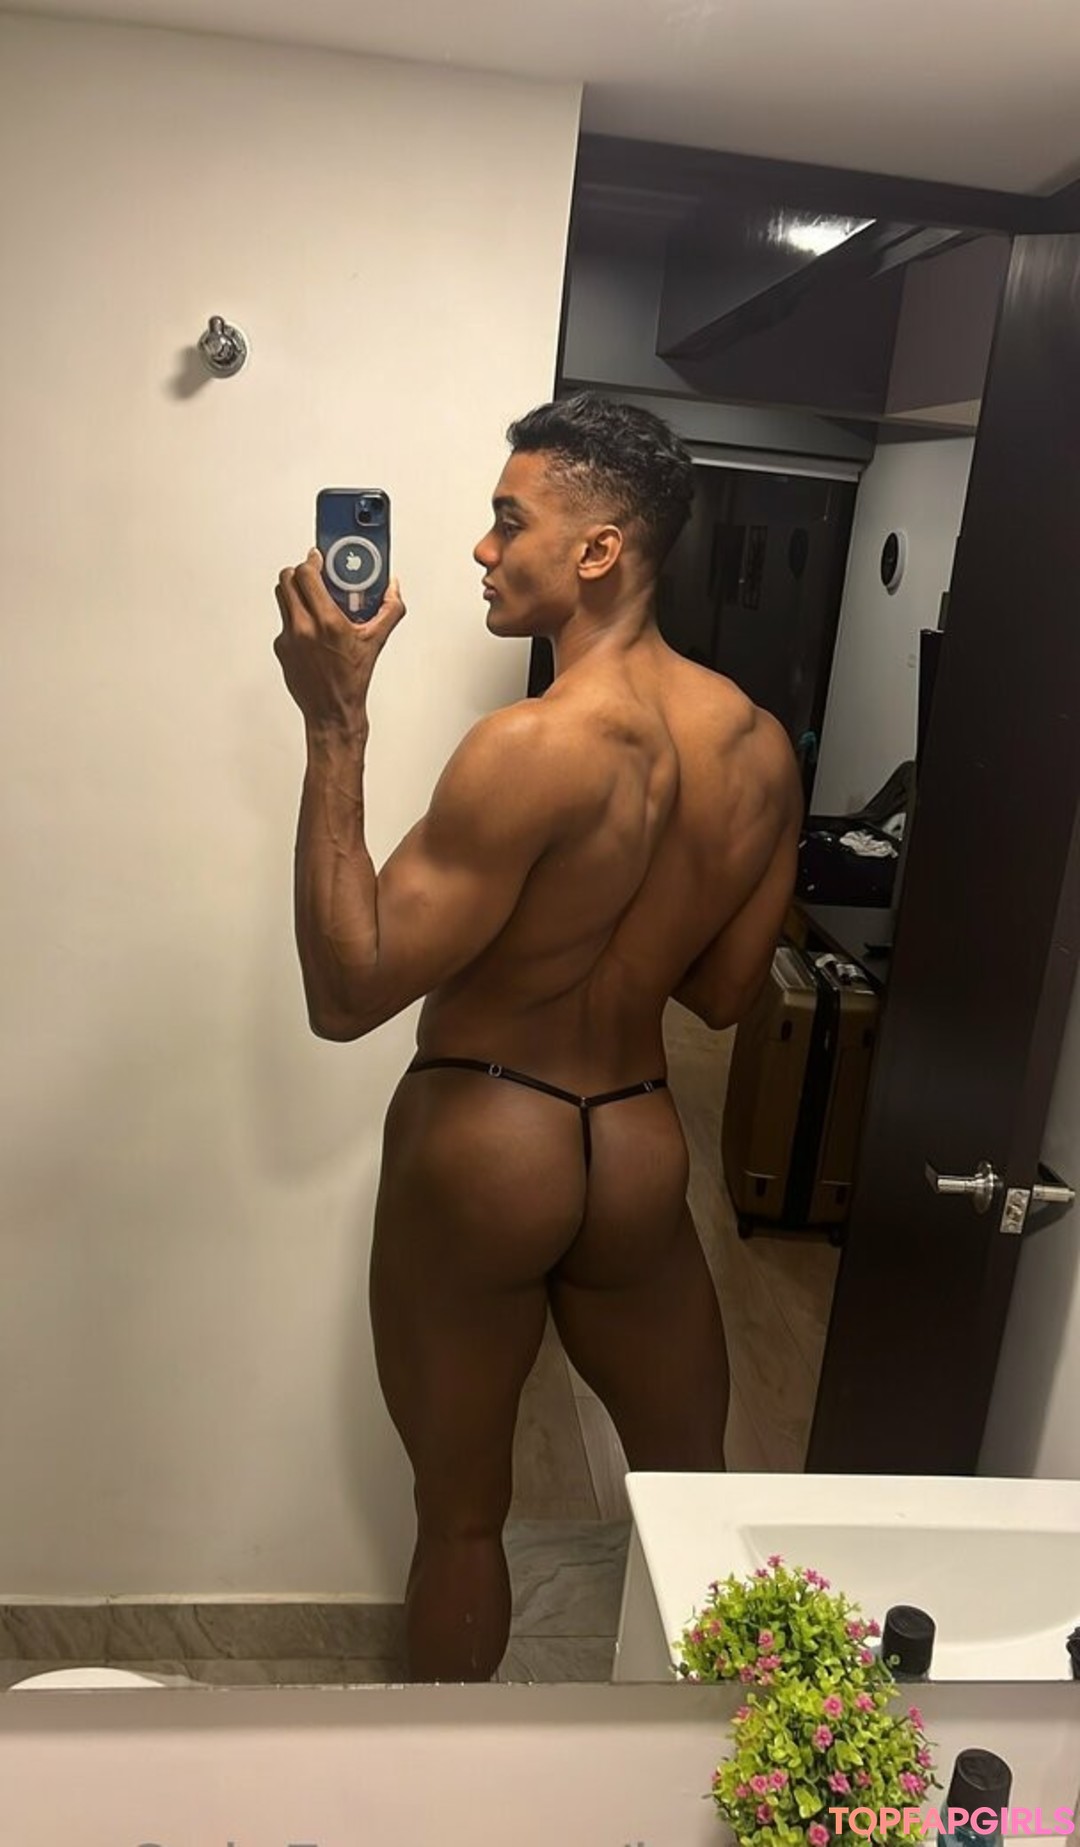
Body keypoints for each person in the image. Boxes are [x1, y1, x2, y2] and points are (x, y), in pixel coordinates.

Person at [273, 392, 803, 1683]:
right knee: (696, 1501)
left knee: (463, 1521)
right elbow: (726, 993)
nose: (482, 548)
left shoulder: (529, 747)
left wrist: (335, 723)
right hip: (633, 1140)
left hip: (487, 1130)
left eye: (510, 521)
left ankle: (447, 1785)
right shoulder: (758, 748)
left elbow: (348, 992)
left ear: (599, 550)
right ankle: (748, 1768)